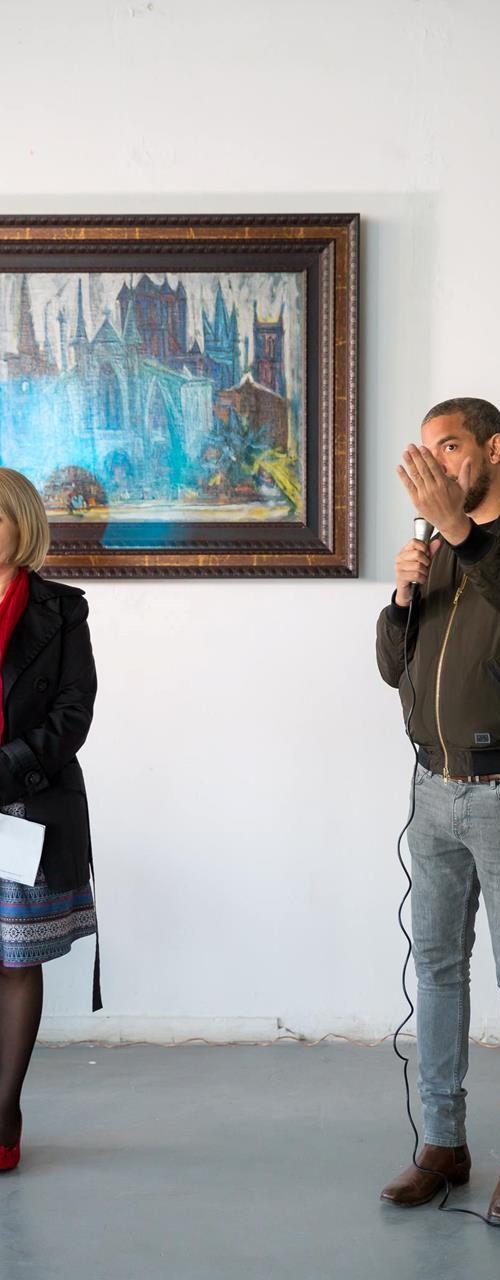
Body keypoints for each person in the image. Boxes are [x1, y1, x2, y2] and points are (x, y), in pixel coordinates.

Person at [376, 397, 500, 1224]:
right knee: (438, 969)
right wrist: (401, 596)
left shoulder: (474, 544)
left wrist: (461, 533)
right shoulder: (438, 550)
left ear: (494, 449)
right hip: (433, 792)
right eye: (427, 450)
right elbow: (394, 668)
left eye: (450, 447)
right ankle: (443, 1144)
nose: (436, 464)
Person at [0, 467, 100, 1174]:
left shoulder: (62, 610)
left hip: (24, 804)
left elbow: (73, 715)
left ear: (22, 523)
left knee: (14, 958)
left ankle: (3, 1114)